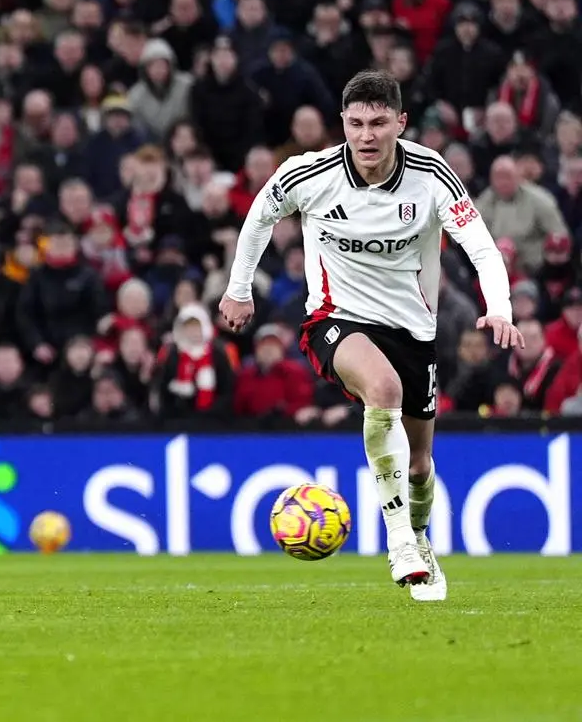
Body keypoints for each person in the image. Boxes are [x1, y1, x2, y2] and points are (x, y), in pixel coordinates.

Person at [219, 70, 522, 602]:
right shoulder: (306, 174)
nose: (366, 136)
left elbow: (482, 247)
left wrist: (499, 308)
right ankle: (400, 539)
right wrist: (238, 288)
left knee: (421, 465)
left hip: (413, 330)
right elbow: (258, 219)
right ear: (342, 123)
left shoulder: (432, 176)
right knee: (381, 390)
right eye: (356, 123)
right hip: (336, 319)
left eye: (379, 123)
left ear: (400, 124)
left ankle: (421, 536)